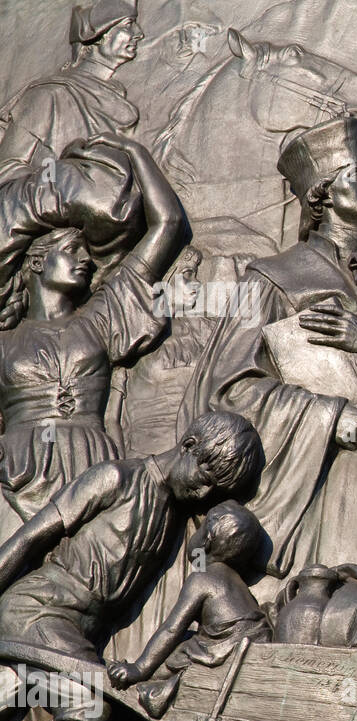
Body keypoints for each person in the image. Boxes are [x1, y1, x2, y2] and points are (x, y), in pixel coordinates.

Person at [0, 410, 263, 721]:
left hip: (76, 631)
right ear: (188, 445)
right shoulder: (114, 478)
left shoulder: (177, 522)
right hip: (38, 607)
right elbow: (28, 539)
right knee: (89, 703)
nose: (204, 492)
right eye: (204, 474)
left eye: (216, 490)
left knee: (108, 711)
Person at [185, 116, 357, 589]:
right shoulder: (271, 276)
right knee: (325, 601)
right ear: (321, 193)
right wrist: (329, 416)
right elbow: (229, 389)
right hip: (315, 471)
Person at [0, 132, 184, 547]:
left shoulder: (101, 317)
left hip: (90, 461)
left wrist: (138, 153)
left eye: (86, 251)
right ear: (35, 261)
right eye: (71, 250)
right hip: (15, 468)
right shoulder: (4, 342)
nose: (85, 260)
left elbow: (168, 225)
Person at [106, 502, 270, 717]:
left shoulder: (202, 578)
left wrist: (139, 669)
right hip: (244, 646)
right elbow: (199, 559)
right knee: (188, 639)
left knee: (175, 655)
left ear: (207, 538)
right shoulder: (235, 581)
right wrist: (201, 550)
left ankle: (156, 690)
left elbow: (172, 629)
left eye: (202, 527)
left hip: (225, 650)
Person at [0, 1, 144, 181]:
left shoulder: (117, 96)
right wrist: (60, 182)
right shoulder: (49, 95)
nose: (139, 33)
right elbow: (7, 169)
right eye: (128, 25)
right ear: (99, 35)